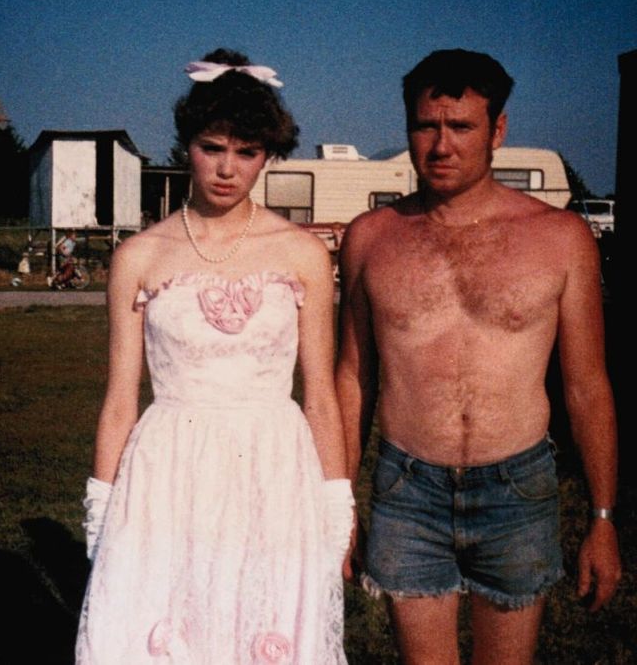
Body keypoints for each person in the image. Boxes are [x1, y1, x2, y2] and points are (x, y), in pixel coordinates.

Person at [335, 49, 620, 664]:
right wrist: (340, 501)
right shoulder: (371, 237)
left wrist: (601, 517)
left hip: (516, 489)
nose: (441, 145)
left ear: (498, 131)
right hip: (407, 488)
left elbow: (588, 387)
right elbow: (352, 378)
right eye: (425, 126)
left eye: (461, 127)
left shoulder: (560, 238)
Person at [76, 48, 352, 664]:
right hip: (168, 476)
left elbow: (322, 396)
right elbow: (121, 397)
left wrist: (338, 502)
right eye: (212, 147)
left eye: (247, 152)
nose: (228, 169)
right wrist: (102, 502)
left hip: (273, 473)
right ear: (186, 145)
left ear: (267, 155)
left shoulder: (303, 254)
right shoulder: (139, 258)